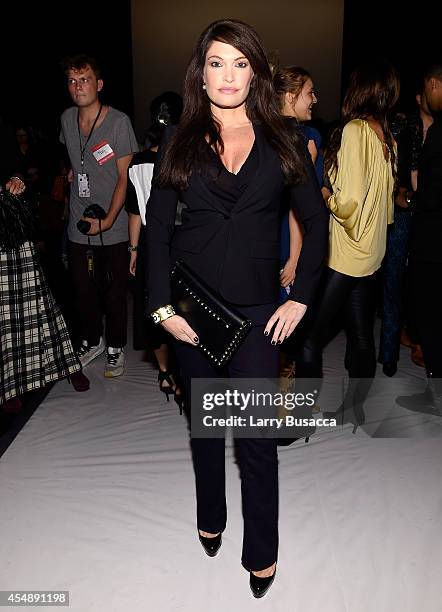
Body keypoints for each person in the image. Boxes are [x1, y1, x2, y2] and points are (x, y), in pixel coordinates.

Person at [146, 19, 328, 598]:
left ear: (256, 71)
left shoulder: (284, 140)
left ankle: (262, 552)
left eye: (240, 63)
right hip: (191, 312)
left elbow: (318, 225)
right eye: (217, 63)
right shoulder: (180, 138)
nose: (228, 75)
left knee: (253, 439)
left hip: (255, 315)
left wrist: (299, 297)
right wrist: (159, 311)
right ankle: (210, 515)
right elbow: (154, 236)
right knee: (206, 429)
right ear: (202, 71)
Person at [295, 60, 400, 430]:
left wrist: (325, 192)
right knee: (359, 335)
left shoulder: (356, 130)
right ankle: (354, 411)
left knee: (308, 337)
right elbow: (387, 206)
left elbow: (349, 203)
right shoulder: (385, 134)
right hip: (373, 251)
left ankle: (298, 421)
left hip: (348, 252)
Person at [60, 54, 138, 378]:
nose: (78, 86)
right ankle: (93, 340)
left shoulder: (118, 122)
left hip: (113, 225)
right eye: (72, 81)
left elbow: (125, 177)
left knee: (113, 291)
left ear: (99, 84)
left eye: (85, 79)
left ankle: (116, 346)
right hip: (78, 223)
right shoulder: (65, 119)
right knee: (82, 289)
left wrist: (106, 221)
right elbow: (75, 162)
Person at [1, 121, 87, 410]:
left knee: (38, 300)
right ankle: (9, 385)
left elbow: (16, 171)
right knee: (3, 314)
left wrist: (17, 181)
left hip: (11, 227)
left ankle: (66, 364)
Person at [125, 91, 184, 406]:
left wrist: (134, 250)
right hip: (186, 241)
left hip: (151, 241)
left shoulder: (139, 161)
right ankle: (183, 376)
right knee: (186, 309)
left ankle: (165, 372)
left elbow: (135, 211)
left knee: (158, 309)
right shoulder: (190, 157)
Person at [397, 64, 442, 414]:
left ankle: (436, 395)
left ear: (433, 84)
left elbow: (433, 193)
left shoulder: (440, 131)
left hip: (433, 243)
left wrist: (409, 198)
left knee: (428, 315)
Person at [379, 87, 433, 377]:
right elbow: (387, 166)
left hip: (429, 216)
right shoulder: (401, 123)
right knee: (393, 279)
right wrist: (395, 192)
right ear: (420, 94)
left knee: (423, 280)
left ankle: (420, 341)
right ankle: (388, 352)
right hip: (401, 213)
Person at [273, 66, 323, 304]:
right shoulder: (302, 139)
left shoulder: (265, 132)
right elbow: (300, 205)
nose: (315, 99)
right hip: (287, 239)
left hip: (277, 235)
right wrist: (295, 258)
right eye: (310, 92)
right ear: (291, 97)